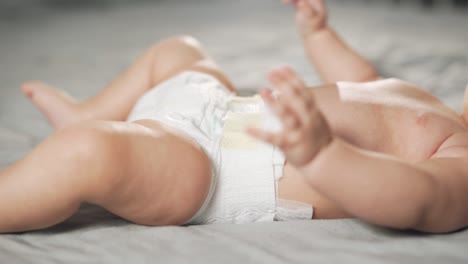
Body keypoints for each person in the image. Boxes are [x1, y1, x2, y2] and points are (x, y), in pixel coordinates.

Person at [1, 0, 467, 234]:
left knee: (90, 153)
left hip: (210, 167)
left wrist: (325, 156)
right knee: (179, 51)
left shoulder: (460, 161)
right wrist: (319, 35)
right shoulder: (436, 106)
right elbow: (360, 82)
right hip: (218, 107)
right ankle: (88, 112)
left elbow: (418, 200)